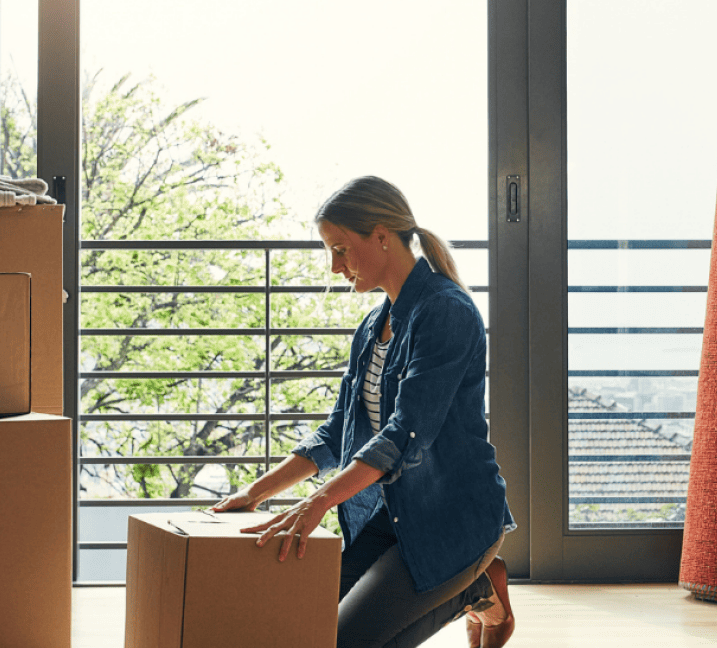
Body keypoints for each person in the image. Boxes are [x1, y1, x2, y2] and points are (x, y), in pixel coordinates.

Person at [212, 176, 516, 648]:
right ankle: (470, 587)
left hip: (453, 520)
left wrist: (318, 502)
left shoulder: (446, 313)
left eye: (340, 249)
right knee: (303, 628)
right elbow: (338, 433)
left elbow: (404, 435)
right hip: (390, 515)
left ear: (380, 236)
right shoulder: (375, 325)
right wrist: (255, 492)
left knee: (346, 642)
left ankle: (473, 587)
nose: (335, 268)